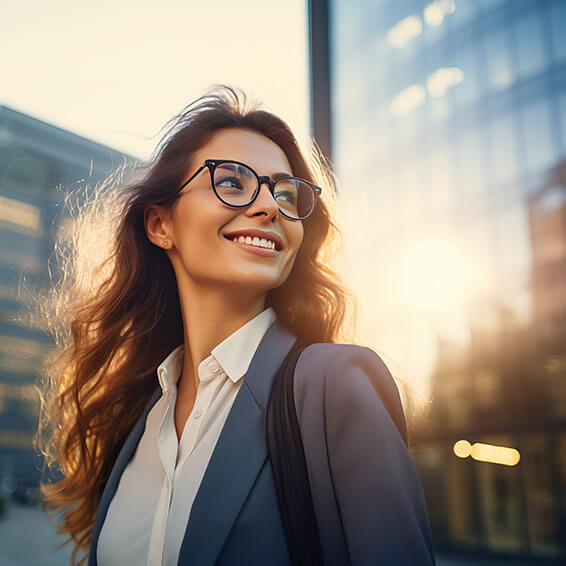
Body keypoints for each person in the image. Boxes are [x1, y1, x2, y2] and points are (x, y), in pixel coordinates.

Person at [35, 85, 436, 565]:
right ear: (160, 225)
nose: (269, 207)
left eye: (286, 194)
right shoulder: (138, 419)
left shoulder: (335, 385)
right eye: (231, 182)